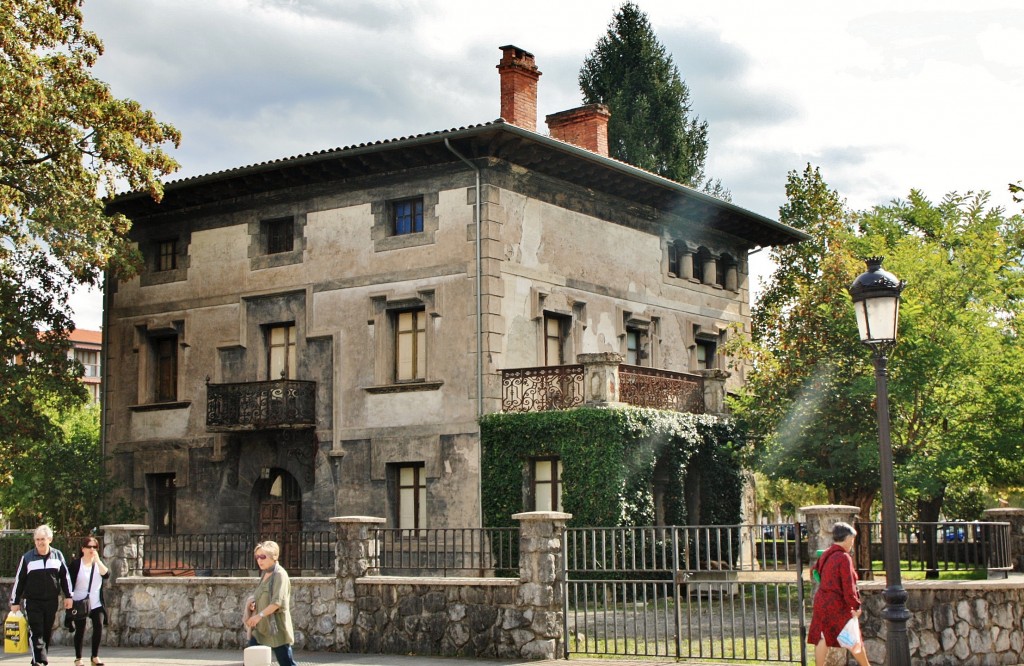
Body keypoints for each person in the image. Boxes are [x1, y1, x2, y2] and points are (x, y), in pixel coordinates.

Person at [9, 525, 74, 666]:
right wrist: (15, 602)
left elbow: (65, 577)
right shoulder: (27, 558)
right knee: (36, 631)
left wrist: (69, 596)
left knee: (45, 632)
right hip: (32, 602)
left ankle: (37, 661)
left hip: (51, 601)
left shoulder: (58, 556)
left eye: (42, 539)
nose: (40, 542)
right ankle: (41, 660)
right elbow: (19, 581)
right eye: (37, 539)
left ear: (49, 539)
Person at [807, 522, 870, 666]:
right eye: (852, 540)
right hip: (837, 605)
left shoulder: (826, 554)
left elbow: (815, 571)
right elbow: (849, 586)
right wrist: (856, 606)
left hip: (822, 601)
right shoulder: (843, 557)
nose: (852, 543)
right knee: (854, 638)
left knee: (823, 636)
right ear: (847, 538)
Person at [243, 541, 297, 666]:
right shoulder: (265, 573)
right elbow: (261, 596)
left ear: (274, 557)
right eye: (257, 557)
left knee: (286, 663)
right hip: (261, 629)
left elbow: (277, 603)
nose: (259, 560)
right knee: (252, 661)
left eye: (263, 556)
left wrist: (258, 616)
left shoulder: (280, 575)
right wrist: (253, 605)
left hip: (276, 628)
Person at [67, 536, 110, 666]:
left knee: (98, 626)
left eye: (94, 547)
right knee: (80, 630)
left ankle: (95, 656)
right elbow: (69, 582)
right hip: (80, 602)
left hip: (96, 603)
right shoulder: (76, 564)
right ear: (83, 549)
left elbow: (106, 575)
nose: (92, 549)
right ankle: (78, 658)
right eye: (89, 547)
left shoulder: (98, 563)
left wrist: (97, 560)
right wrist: (69, 598)